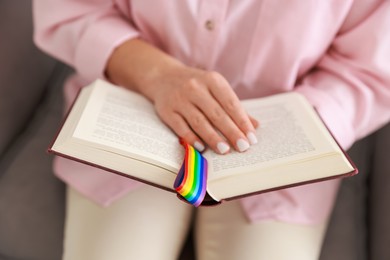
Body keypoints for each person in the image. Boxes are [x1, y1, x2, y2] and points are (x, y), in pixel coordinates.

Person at [33, 1, 390, 259]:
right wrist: (157, 74)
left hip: (274, 158)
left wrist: (296, 131)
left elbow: (369, 71)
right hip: (133, 116)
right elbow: (70, 10)